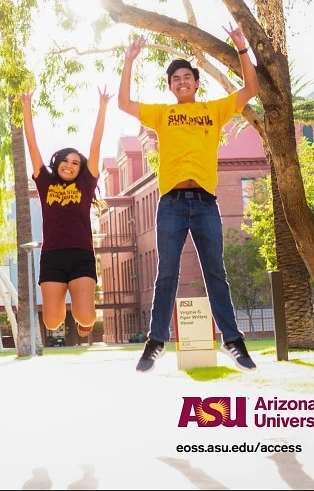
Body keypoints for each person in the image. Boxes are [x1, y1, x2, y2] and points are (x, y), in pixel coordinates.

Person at [117, 23, 260, 373]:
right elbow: (123, 103)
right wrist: (129, 61)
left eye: (187, 77)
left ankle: (232, 340)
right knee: (166, 271)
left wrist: (241, 47)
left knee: (216, 271)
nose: (181, 82)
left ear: (196, 83)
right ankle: (156, 341)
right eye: (175, 79)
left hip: (206, 203)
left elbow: (251, 88)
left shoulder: (213, 110)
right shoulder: (162, 115)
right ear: (170, 87)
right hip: (171, 205)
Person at [20, 86, 112, 339]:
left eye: (75, 163)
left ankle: (85, 319)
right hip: (52, 257)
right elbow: (32, 146)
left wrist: (102, 108)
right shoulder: (45, 182)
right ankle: (68, 308)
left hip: (81, 255)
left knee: (85, 316)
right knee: (51, 322)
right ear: (57, 162)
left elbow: (95, 146)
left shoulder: (85, 183)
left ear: (80, 168)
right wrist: (26, 107)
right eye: (65, 161)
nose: (69, 166)